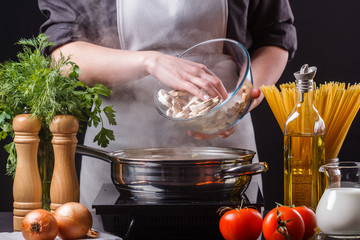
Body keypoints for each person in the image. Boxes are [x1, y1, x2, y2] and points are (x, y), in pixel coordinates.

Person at [38, 0, 297, 230]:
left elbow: (274, 37)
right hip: (121, 148)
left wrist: (242, 96)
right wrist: (151, 62)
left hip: (220, 144)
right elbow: (63, 53)